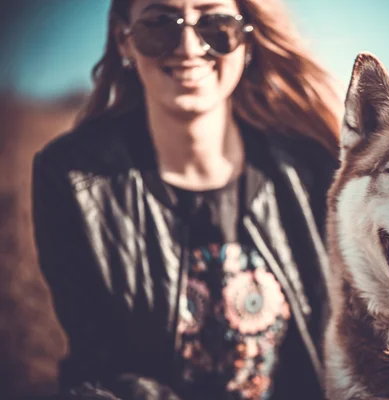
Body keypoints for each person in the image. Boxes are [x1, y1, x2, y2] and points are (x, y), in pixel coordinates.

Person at [31, 0, 341, 398]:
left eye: (214, 22)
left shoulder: (313, 171)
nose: (189, 45)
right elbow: (101, 365)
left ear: (247, 40)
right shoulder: (73, 179)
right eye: (160, 23)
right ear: (124, 41)